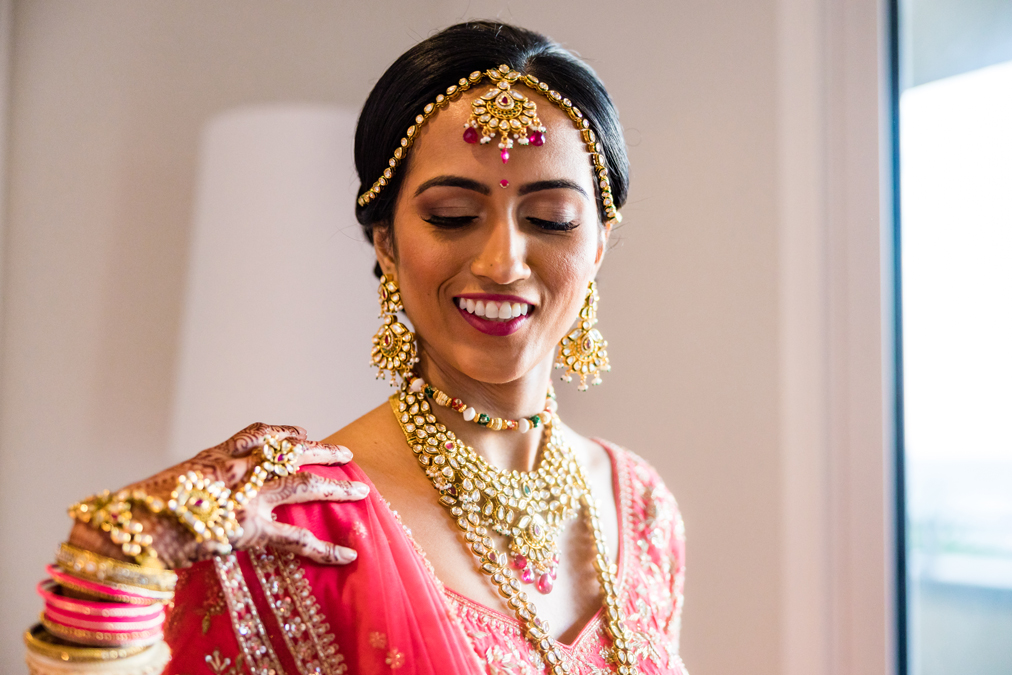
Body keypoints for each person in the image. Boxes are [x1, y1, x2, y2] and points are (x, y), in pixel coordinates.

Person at [25, 21, 687, 675]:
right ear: (387, 244)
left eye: (550, 220)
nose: (502, 263)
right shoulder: (297, 519)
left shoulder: (642, 507)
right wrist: (112, 555)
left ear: (597, 246)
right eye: (453, 216)